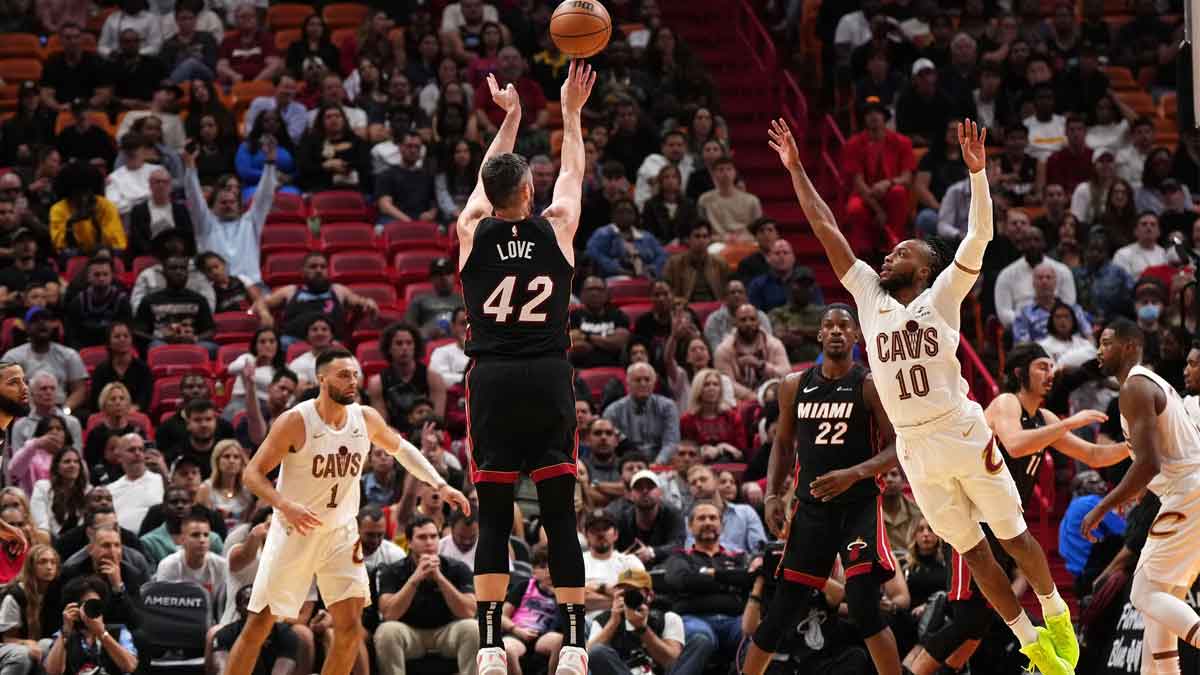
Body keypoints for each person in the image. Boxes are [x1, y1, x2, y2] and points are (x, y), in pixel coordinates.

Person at [767, 116, 1076, 673]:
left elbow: (979, 237)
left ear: (926, 266)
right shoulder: (867, 295)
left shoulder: (942, 295)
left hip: (961, 430)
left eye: (901, 252)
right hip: (914, 448)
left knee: (1014, 537)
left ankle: (1056, 616)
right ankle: (1032, 642)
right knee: (973, 553)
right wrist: (796, 170)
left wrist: (979, 176)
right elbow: (826, 228)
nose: (888, 256)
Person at [454, 63, 595, 675]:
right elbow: (574, 171)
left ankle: (488, 645)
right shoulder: (557, 227)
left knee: (492, 512)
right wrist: (569, 112)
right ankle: (573, 646)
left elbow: (489, 183)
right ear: (530, 195)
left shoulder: (471, 230)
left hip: (491, 380)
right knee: (560, 513)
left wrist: (508, 118)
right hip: (545, 375)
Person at [221, 348, 469, 675]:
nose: (353, 381)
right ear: (322, 379)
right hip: (295, 531)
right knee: (260, 625)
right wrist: (283, 504)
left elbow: (402, 449)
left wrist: (440, 483)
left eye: (354, 374)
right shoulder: (297, 421)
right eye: (343, 375)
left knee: (350, 628)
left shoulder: (364, 417)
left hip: (340, 534)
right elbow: (252, 474)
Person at [742, 303, 903, 675]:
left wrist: (854, 473)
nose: (835, 331)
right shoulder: (793, 385)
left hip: (858, 507)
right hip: (811, 510)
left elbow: (899, 448)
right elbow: (782, 446)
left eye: (843, 326)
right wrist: (771, 495)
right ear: (818, 335)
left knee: (864, 606)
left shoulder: (870, 385)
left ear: (856, 337)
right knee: (782, 609)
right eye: (828, 325)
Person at [1079, 319, 1200, 675]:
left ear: (1130, 346)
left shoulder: (1135, 387)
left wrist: (1103, 506)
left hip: (1187, 493)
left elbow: (1148, 464)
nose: (1100, 351)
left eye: (1106, 342)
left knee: (1143, 593)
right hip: (1187, 491)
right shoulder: (1150, 385)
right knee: (1160, 605)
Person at [44, 574, 138, 675]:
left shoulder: (119, 631)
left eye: (95, 604)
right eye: (85, 604)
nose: (90, 609)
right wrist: (65, 633)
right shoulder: (64, 635)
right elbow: (52, 672)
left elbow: (131, 666)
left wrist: (102, 633)